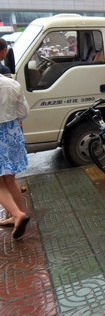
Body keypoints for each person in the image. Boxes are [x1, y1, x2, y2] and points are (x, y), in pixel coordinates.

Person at [0, 75, 31, 239]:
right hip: (12, 132)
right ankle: (19, 214)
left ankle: (17, 214)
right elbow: (23, 112)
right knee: (10, 179)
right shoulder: (12, 84)